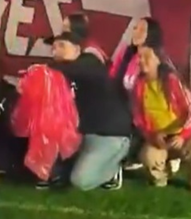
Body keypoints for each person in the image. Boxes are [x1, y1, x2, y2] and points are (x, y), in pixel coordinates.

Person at [39, 33, 133, 191]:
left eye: (62, 46)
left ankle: (114, 169)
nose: (56, 51)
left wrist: (42, 70)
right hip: (82, 133)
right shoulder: (63, 73)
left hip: (108, 134)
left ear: (77, 49)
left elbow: (75, 70)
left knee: (81, 180)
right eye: (53, 47)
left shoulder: (89, 63)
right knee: (52, 171)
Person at [131, 44, 191, 194]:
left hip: (181, 135)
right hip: (159, 137)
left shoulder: (173, 81)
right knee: (148, 157)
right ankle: (161, 178)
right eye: (139, 57)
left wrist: (183, 135)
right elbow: (138, 118)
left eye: (146, 57)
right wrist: (153, 135)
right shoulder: (138, 85)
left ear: (158, 59)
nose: (141, 61)